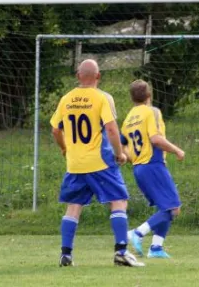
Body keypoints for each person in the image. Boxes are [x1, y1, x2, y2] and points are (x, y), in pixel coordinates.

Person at [49, 59, 144, 267]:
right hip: (99, 162)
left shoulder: (66, 99)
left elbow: (56, 129)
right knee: (119, 200)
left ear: (77, 77)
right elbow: (111, 129)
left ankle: (66, 254)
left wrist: (64, 148)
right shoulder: (101, 98)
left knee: (73, 207)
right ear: (98, 77)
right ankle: (120, 252)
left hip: (74, 164)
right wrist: (120, 153)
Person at [120, 80, 185, 259]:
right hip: (153, 164)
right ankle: (137, 233)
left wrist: (127, 155)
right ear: (149, 95)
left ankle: (156, 248)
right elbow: (155, 139)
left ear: (132, 98)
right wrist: (177, 150)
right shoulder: (150, 112)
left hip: (139, 168)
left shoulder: (128, 119)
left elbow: (120, 143)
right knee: (173, 208)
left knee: (165, 207)